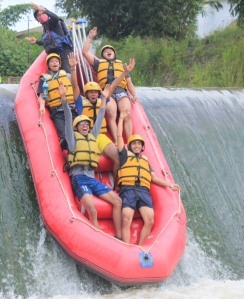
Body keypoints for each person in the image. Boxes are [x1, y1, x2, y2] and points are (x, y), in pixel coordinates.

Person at [60, 80, 123, 240]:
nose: (85, 126)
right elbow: (68, 117)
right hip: (79, 179)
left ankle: (120, 237)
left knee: (117, 201)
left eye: (86, 124)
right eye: (81, 124)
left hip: (92, 179)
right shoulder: (72, 138)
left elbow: (101, 114)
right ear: (76, 128)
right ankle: (100, 239)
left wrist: (104, 98)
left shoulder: (93, 136)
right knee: (92, 210)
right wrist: (63, 98)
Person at [116, 109, 181, 245]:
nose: (137, 146)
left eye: (139, 144)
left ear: (142, 147)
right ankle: (126, 247)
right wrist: (121, 118)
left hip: (143, 191)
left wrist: (170, 185)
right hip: (128, 189)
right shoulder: (124, 156)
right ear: (130, 146)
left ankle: (140, 247)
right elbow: (119, 137)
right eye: (134, 144)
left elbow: (154, 178)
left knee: (150, 219)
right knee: (126, 217)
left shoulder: (145, 160)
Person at [74, 58, 136, 185]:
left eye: (95, 92)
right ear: (86, 93)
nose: (93, 95)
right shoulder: (80, 103)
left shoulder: (103, 100)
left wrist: (125, 72)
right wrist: (72, 68)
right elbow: (75, 86)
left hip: (100, 136)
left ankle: (117, 185)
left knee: (119, 157)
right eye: (90, 93)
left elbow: (113, 85)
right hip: (86, 136)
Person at [81, 27, 138, 146]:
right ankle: (117, 141)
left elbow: (130, 83)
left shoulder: (123, 66)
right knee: (112, 113)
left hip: (121, 91)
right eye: (105, 50)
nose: (108, 51)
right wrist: (90, 37)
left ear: (114, 53)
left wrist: (134, 95)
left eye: (110, 50)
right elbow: (85, 52)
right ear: (102, 55)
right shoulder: (98, 64)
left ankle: (130, 142)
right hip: (107, 93)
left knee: (127, 114)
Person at [37, 52, 80, 150]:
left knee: (77, 133)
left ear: (60, 64)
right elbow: (43, 94)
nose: (54, 63)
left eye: (56, 61)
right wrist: (42, 106)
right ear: (48, 65)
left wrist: (72, 67)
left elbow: (74, 83)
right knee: (65, 136)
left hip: (70, 109)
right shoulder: (44, 79)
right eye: (51, 61)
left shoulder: (66, 75)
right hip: (57, 112)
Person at [25, 3, 73, 73]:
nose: (41, 16)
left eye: (43, 14)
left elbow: (56, 18)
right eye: (39, 15)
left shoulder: (53, 23)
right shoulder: (45, 31)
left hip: (64, 51)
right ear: (37, 19)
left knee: (66, 74)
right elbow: (47, 42)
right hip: (55, 55)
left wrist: (44, 10)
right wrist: (36, 41)